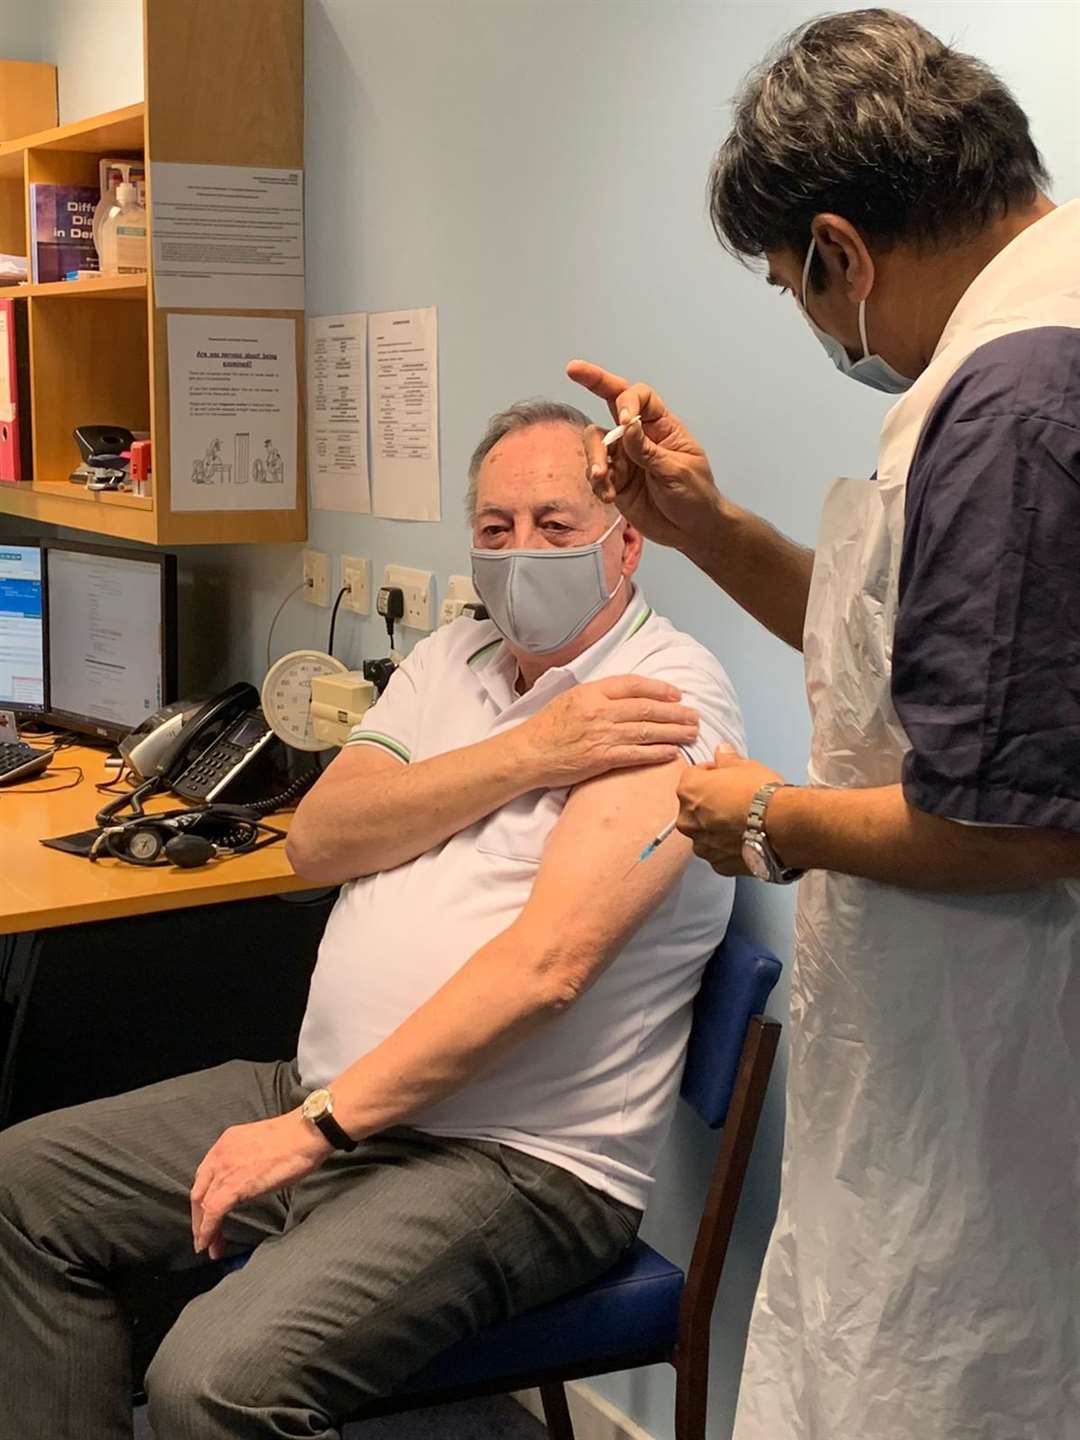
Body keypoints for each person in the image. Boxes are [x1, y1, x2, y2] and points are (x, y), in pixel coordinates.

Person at [0, 399, 744, 1440]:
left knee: (211, 1381)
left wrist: (315, 1130)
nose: (520, 551)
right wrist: (533, 754)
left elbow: (547, 970)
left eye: (555, 523)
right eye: (494, 529)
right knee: (21, 1193)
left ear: (627, 539)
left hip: (509, 1160)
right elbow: (324, 837)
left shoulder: (664, 702)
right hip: (331, 1099)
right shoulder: (454, 660)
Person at [568, 10, 1079, 1439]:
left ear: (844, 251)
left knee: (949, 1385)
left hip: (996, 1075)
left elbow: (1019, 826)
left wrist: (762, 818)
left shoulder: (1014, 401)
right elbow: (923, 669)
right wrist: (709, 528)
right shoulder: (1023, 354)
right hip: (965, 1060)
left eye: (797, 282)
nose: (813, 321)